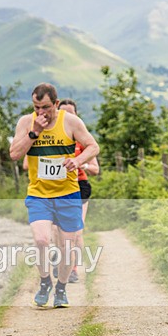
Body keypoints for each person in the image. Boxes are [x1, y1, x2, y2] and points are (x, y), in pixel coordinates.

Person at [10, 83, 99, 308]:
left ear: (56, 104)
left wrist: (78, 161)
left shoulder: (70, 122)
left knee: (68, 247)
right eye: (36, 107)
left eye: (46, 107)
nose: (41, 113)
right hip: (38, 194)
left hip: (68, 194)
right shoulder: (25, 123)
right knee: (41, 240)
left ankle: (61, 287)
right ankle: (44, 281)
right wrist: (34, 133)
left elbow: (93, 146)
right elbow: (15, 154)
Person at [57, 98, 99, 283]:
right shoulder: (53, 137)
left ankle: (73, 268)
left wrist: (80, 163)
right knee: (57, 232)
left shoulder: (82, 140)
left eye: (71, 113)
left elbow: (96, 169)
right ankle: (62, 263)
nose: (68, 117)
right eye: (63, 113)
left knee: (76, 232)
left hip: (79, 187)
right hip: (56, 187)